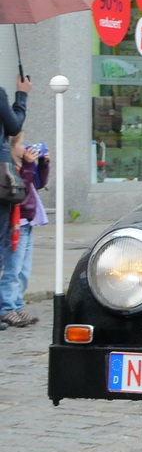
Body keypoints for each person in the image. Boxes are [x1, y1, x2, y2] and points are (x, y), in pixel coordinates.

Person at [0, 138, 46, 328]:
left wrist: (43, 163)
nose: (26, 146)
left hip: (28, 223)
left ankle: (17, 305)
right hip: (16, 224)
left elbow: (39, 183)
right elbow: (21, 189)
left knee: (23, 270)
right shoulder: (10, 169)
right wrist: (28, 164)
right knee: (13, 270)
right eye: (21, 144)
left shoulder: (23, 166)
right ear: (11, 149)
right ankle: (6, 308)